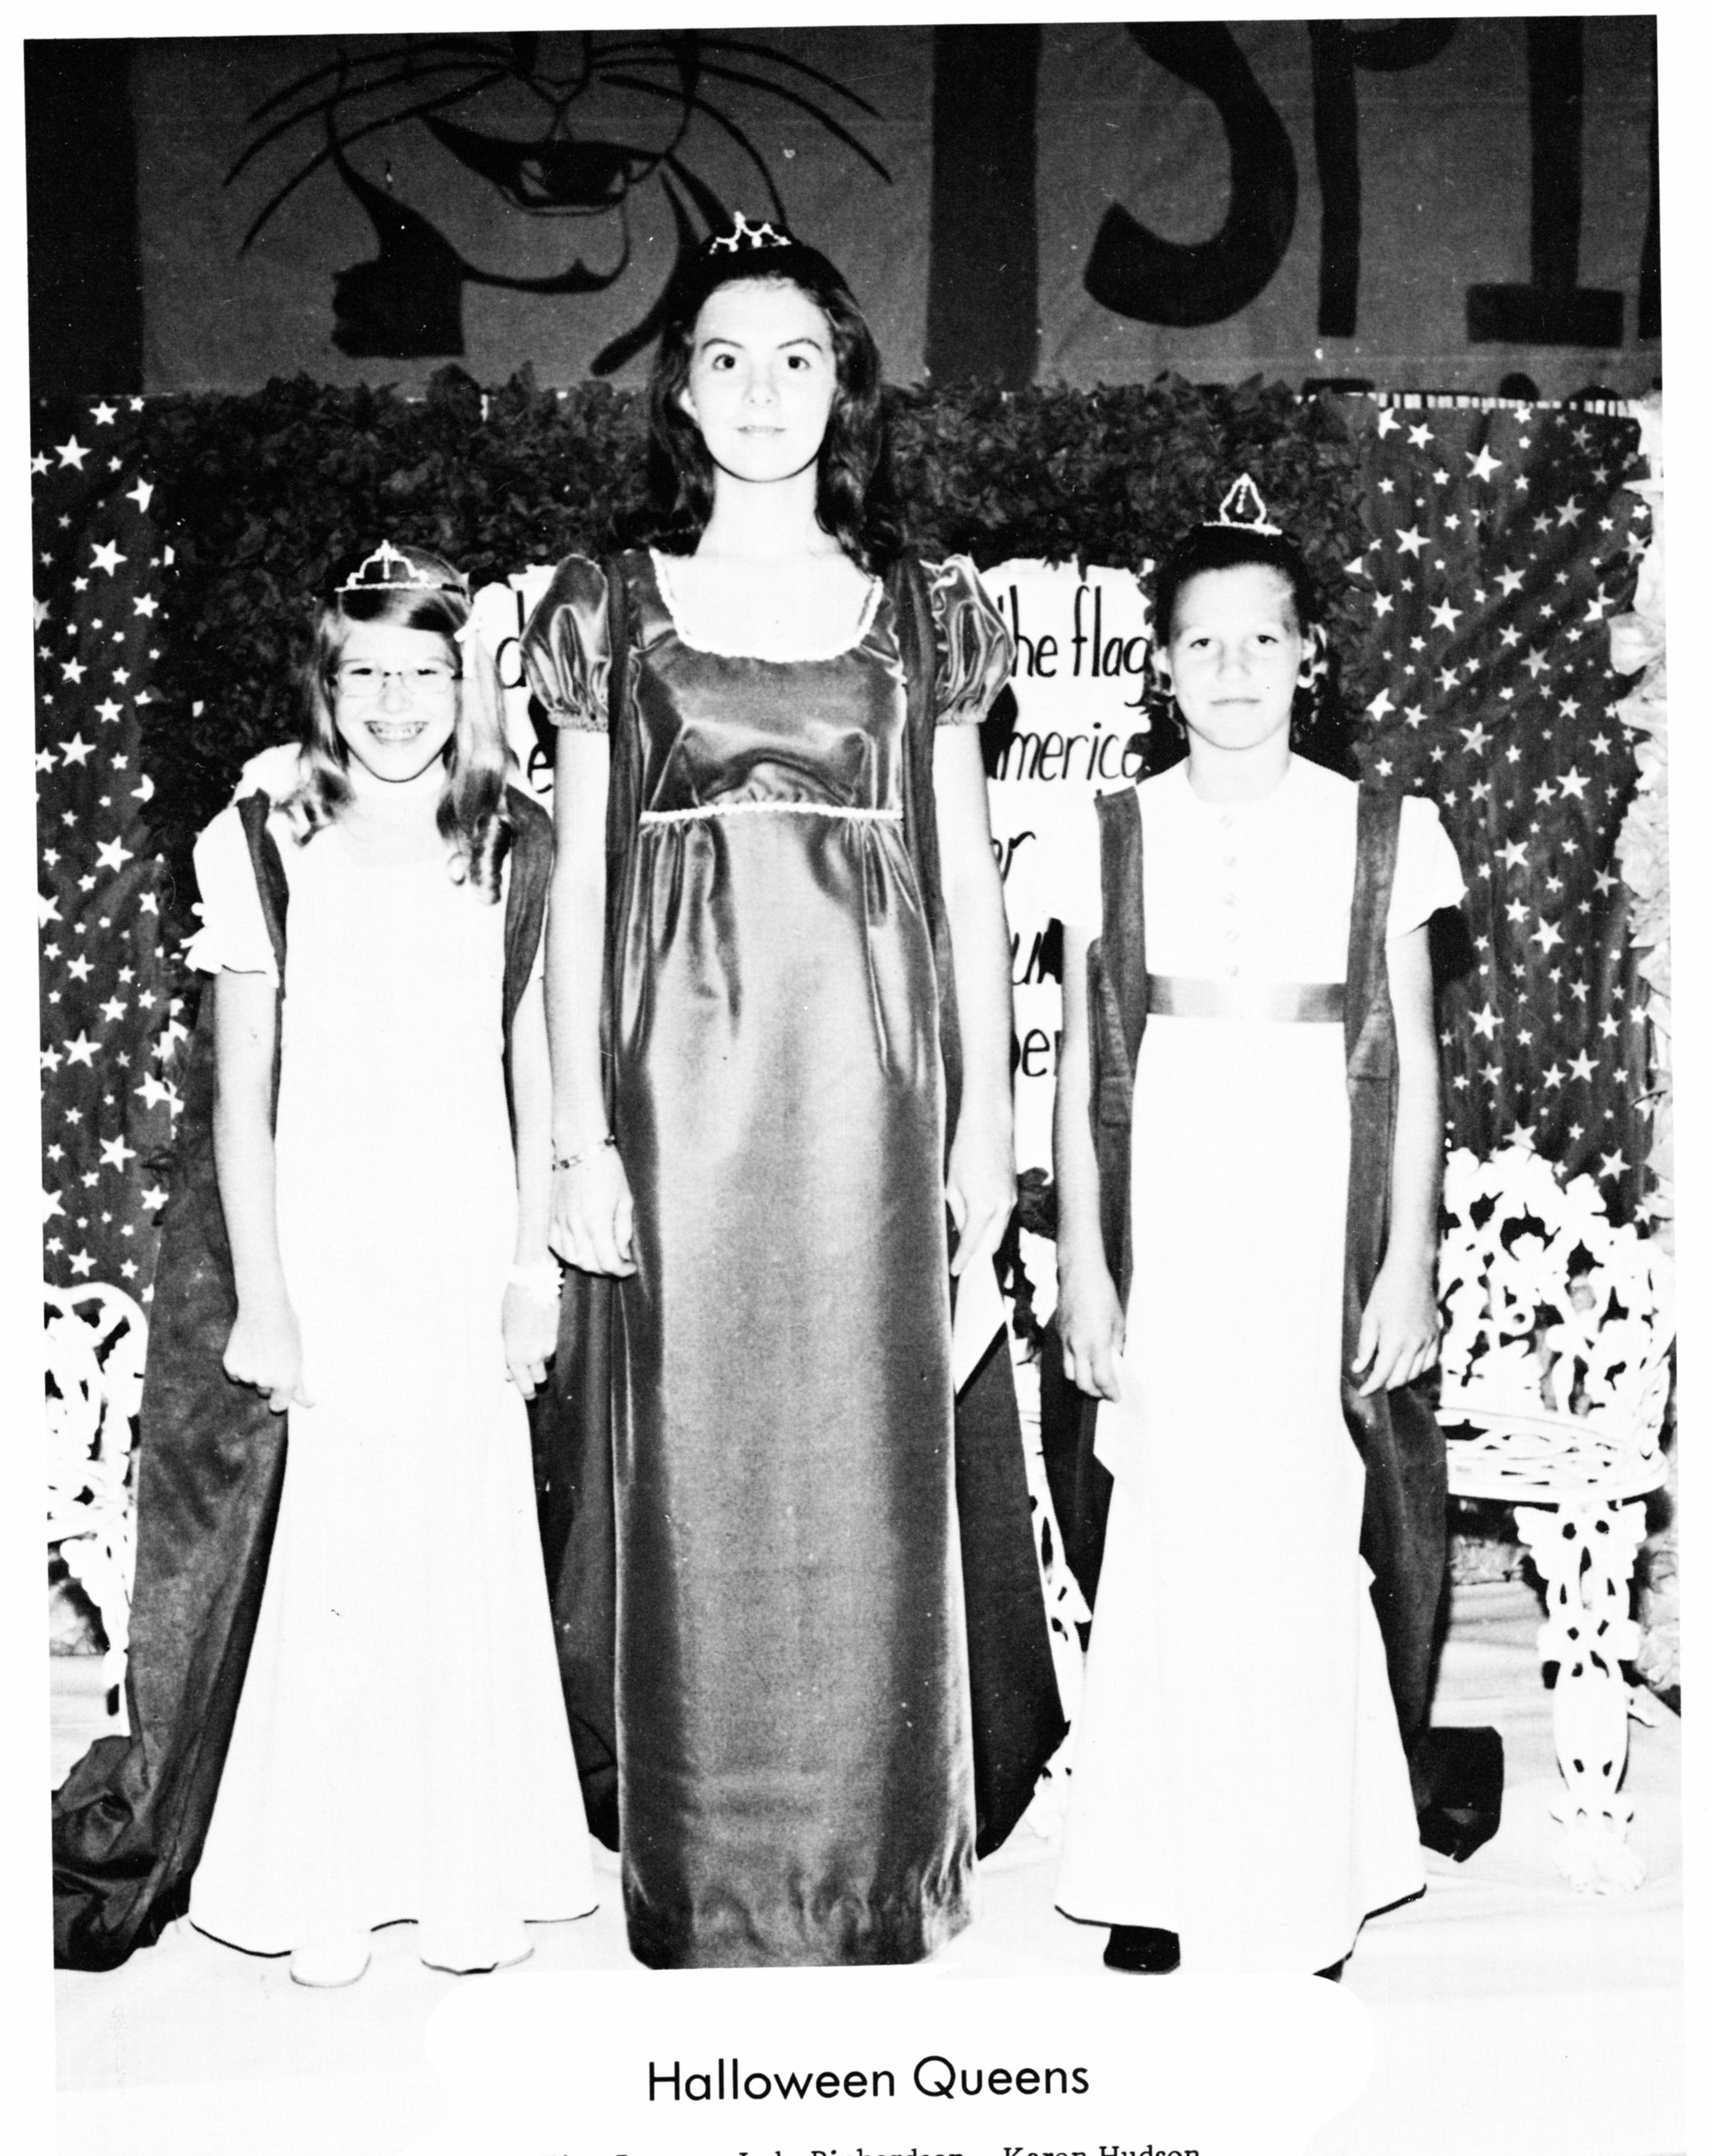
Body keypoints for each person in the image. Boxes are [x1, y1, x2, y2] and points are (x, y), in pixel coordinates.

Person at [521, 214, 1064, 1969]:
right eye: (726, 360)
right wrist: (578, 1135)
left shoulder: (922, 611)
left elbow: (968, 880)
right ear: (682, 395)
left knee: (866, 1460)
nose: (763, 391)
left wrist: (986, 1137)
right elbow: (580, 884)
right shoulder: (608, 607)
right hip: (676, 1089)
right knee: (694, 1459)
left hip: (868, 1093)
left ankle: (875, 1870)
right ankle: (708, 1876)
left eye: (798, 359)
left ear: (845, 390)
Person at [53, 546, 596, 1983]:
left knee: (459, 1548)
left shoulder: (513, 842)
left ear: (466, 686)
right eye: (367, 674)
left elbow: (532, 1064)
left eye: (424, 672)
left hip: (462, 1234)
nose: (396, 702)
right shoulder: (263, 840)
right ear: (326, 683)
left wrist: (531, 1268)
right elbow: (242, 1094)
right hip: (329, 1243)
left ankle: (465, 1873)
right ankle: (330, 1883)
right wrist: (269, 1296)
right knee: (341, 1562)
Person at [1051, 482, 1464, 1975]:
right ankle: (1156, 1871)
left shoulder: (1383, 833)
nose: (1232, 668)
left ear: (1310, 655)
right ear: (1160, 667)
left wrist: (1407, 1257)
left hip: (1310, 1212)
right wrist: (1084, 1265)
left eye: (1262, 639)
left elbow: (1411, 1060)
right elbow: (1083, 1068)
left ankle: (1302, 1880)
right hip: (1170, 1203)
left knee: (1294, 1529)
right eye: (1200, 643)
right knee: (1168, 1521)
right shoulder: (1110, 834)